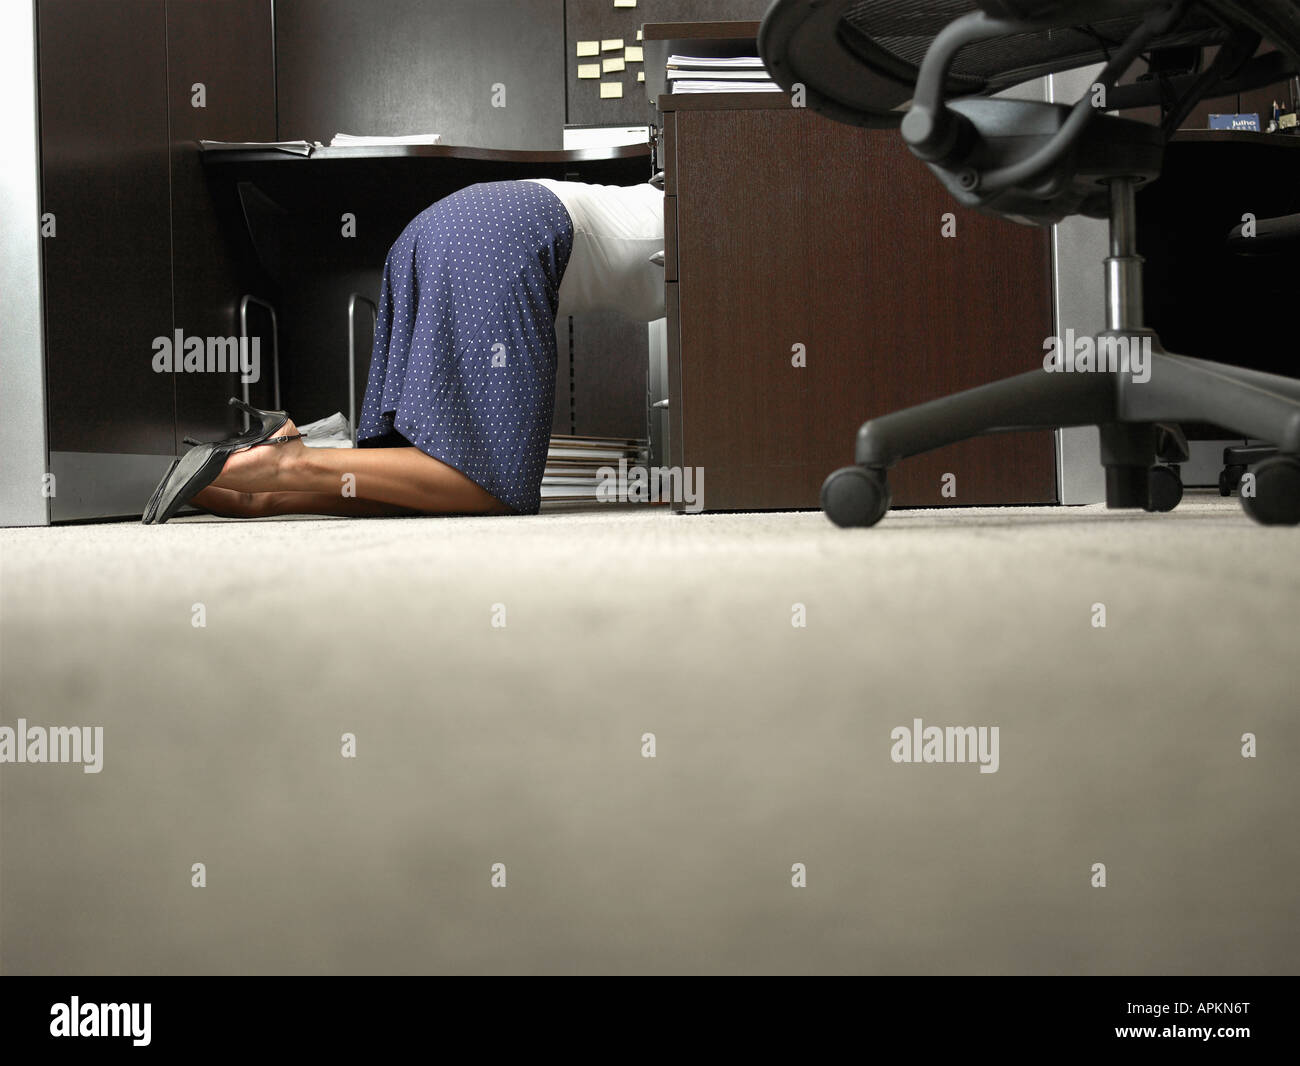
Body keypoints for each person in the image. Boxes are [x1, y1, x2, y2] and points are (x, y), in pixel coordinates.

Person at [144, 177, 664, 523]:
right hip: (503, 232)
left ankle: (269, 491)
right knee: (492, 485)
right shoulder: (715, 216)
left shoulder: (665, 194)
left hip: (442, 225)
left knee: (418, 479)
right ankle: (292, 463)